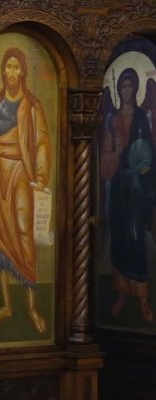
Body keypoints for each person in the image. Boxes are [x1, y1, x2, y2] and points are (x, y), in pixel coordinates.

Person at [0, 47, 52, 333]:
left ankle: (31, 306)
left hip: (21, 173)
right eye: (8, 67)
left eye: (17, 67)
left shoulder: (32, 106)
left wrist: (40, 177)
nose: (12, 72)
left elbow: (41, 142)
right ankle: (6, 304)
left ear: (23, 72)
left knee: (23, 232)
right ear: (3, 71)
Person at [99, 68, 156, 322]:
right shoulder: (111, 119)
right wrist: (116, 152)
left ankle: (143, 299)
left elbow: (149, 151)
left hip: (138, 188)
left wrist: (145, 165)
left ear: (136, 89)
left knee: (137, 239)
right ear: (119, 90)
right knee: (121, 240)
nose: (127, 90)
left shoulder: (142, 117)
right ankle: (122, 295)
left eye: (131, 85)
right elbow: (105, 159)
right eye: (123, 86)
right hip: (119, 188)